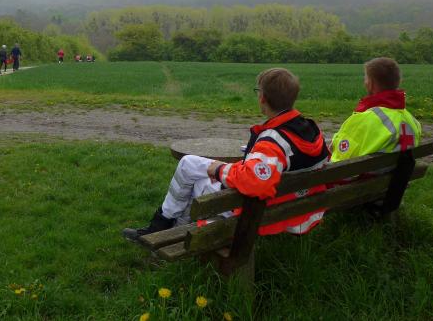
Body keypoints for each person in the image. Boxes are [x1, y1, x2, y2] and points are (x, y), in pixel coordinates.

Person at [123, 68, 329, 241]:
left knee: (190, 171)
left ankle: (162, 228)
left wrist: (219, 170)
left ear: (262, 98)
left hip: (256, 213)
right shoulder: (311, 129)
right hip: (296, 208)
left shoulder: (273, 140)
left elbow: (256, 182)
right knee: (191, 167)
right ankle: (171, 229)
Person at [330, 57, 422, 162]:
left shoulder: (363, 120)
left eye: (366, 78)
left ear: (371, 83)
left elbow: (341, 159)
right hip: (399, 172)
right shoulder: (413, 122)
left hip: (364, 172)